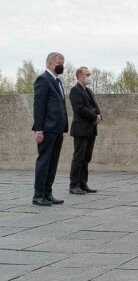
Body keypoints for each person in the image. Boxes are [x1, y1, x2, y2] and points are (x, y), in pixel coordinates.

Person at [31, 52, 68, 206]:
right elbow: (39, 106)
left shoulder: (58, 82)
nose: (62, 65)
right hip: (47, 129)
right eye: (60, 62)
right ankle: (38, 195)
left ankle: (48, 193)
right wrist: (39, 130)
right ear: (51, 63)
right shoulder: (43, 79)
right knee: (44, 162)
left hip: (58, 129)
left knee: (53, 163)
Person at [68, 67, 102, 195]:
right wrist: (94, 117)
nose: (89, 76)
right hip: (80, 128)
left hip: (91, 128)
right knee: (78, 157)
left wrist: (99, 116)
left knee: (87, 157)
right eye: (87, 74)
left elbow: (95, 106)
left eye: (90, 74)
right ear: (79, 76)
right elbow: (80, 109)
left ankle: (83, 183)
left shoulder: (89, 91)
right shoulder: (75, 91)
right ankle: (74, 185)